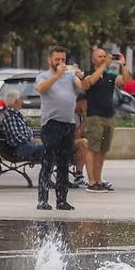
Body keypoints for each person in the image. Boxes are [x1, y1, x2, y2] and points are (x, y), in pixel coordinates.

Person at [34, 46, 83, 210]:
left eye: (63, 60)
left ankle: (62, 199)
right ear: (50, 60)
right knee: (48, 162)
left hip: (68, 124)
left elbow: (82, 87)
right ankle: (42, 199)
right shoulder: (44, 76)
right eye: (57, 60)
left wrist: (78, 75)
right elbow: (41, 89)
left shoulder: (69, 77)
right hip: (51, 123)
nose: (61, 62)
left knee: (64, 163)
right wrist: (57, 75)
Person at [81, 47, 126, 193]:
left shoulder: (109, 75)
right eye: (99, 57)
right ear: (93, 59)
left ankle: (98, 179)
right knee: (92, 148)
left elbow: (124, 80)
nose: (103, 58)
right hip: (95, 116)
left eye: (104, 56)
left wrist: (123, 64)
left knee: (102, 150)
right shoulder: (88, 73)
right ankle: (91, 181)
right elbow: (90, 82)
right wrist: (104, 65)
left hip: (108, 116)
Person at [1, 90, 44, 160]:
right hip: (20, 148)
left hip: (26, 145)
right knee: (47, 148)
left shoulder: (16, 114)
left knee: (49, 145)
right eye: (20, 99)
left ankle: (49, 168)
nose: (22, 101)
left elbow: (28, 131)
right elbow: (15, 137)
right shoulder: (9, 116)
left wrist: (34, 138)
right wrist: (31, 140)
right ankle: (49, 169)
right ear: (15, 101)